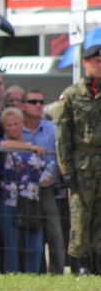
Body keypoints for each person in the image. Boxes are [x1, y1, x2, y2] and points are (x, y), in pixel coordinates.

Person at [54, 44, 101, 276]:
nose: (100, 66)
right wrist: (66, 170)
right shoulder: (72, 95)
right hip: (81, 165)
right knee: (80, 216)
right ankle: (81, 264)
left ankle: (98, 263)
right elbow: (62, 135)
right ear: (85, 63)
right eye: (96, 61)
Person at [19, 89, 65, 274]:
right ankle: (29, 273)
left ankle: (57, 273)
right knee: (27, 234)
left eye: (41, 101)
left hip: (46, 189)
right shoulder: (15, 127)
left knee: (55, 234)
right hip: (21, 191)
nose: (38, 105)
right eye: (33, 101)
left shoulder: (51, 128)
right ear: (22, 105)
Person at [0, 108, 46, 273]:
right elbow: (3, 145)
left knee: (35, 246)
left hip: (31, 201)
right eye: (8, 125)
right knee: (12, 245)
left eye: (16, 123)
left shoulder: (35, 146)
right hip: (8, 201)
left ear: (22, 124)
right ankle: (12, 277)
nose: (12, 128)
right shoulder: (3, 144)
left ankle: (33, 277)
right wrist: (29, 146)